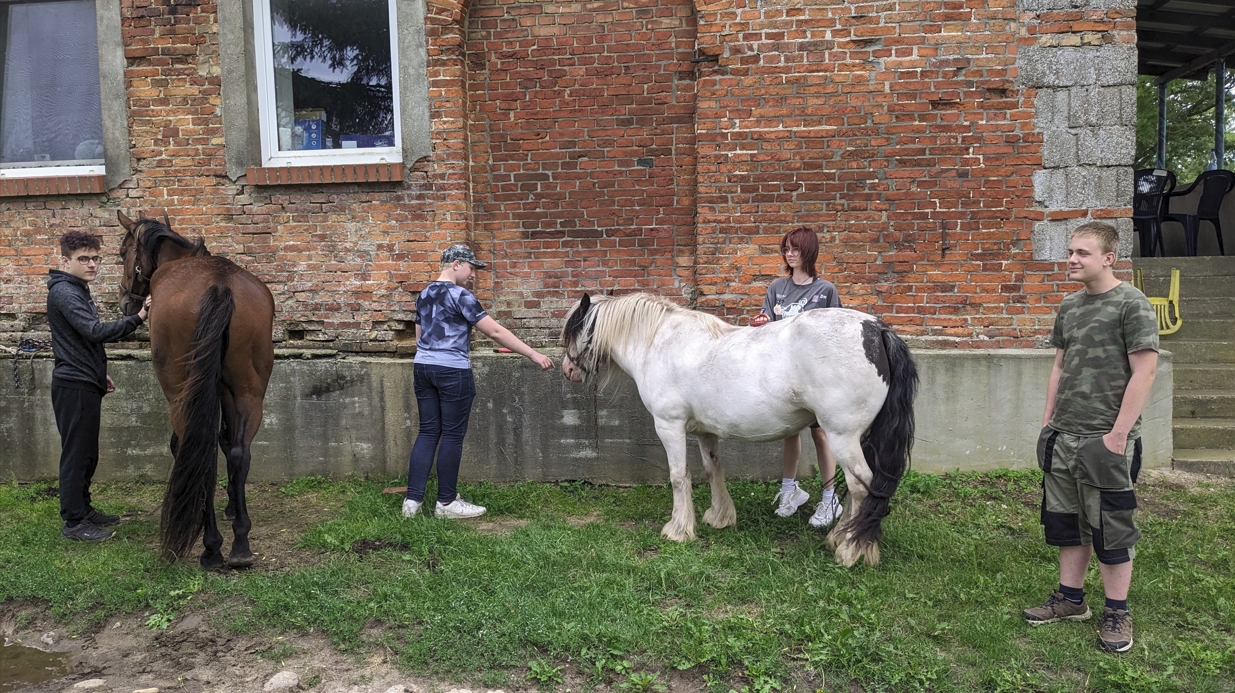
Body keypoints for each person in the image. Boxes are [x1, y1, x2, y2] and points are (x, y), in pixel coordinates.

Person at [1024, 221, 1158, 653]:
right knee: (1066, 522)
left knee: (1111, 528)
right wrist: (1048, 422)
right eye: (1071, 252)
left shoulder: (1132, 304)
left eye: (1082, 252)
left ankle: (1117, 611)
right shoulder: (1069, 306)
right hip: (1064, 436)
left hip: (1106, 441)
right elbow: (1059, 366)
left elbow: (1144, 372)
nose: (1072, 259)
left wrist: (1118, 436)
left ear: (1108, 258)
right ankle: (1071, 599)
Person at [403, 244, 554, 519]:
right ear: (456, 264)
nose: (473, 275)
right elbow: (494, 331)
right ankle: (446, 503)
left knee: (427, 432)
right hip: (452, 371)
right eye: (471, 268)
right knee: (452, 435)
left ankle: (411, 504)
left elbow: (419, 335)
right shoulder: (461, 296)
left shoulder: (424, 294)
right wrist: (533, 354)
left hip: (423, 367)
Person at [47, 231, 151, 542]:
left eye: (95, 258)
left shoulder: (77, 289)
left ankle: (84, 509)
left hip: (85, 379)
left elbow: (79, 340)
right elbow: (93, 331)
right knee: (76, 455)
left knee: (87, 453)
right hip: (74, 384)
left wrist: (99, 372)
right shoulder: (65, 292)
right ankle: (74, 522)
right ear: (65, 261)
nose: (92, 264)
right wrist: (140, 316)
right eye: (83, 259)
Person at [751, 226, 843, 528]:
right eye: (786, 249)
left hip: (816, 377)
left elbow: (835, 334)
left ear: (809, 252)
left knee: (820, 434)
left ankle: (830, 499)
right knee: (789, 432)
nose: (789, 254)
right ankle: (790, 491)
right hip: (783, 374)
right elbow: (767, 322)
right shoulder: (777, 287)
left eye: (795, 249)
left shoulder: (825, 290)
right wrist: (763, 321)